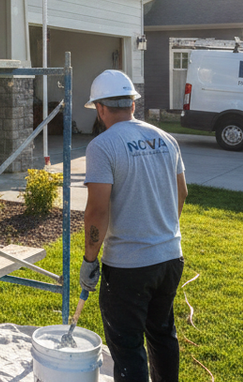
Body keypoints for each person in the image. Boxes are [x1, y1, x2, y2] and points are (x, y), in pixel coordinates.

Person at [80, 70, 188, 382]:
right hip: (170, 257)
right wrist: (161, 232)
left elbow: (97, 211)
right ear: (132, 104)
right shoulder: (166, 139)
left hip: (129, 268)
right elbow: (182, 193)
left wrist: (89, 261)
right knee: (162, 335)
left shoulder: (102, 146)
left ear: (100, 108)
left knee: (127, 348)